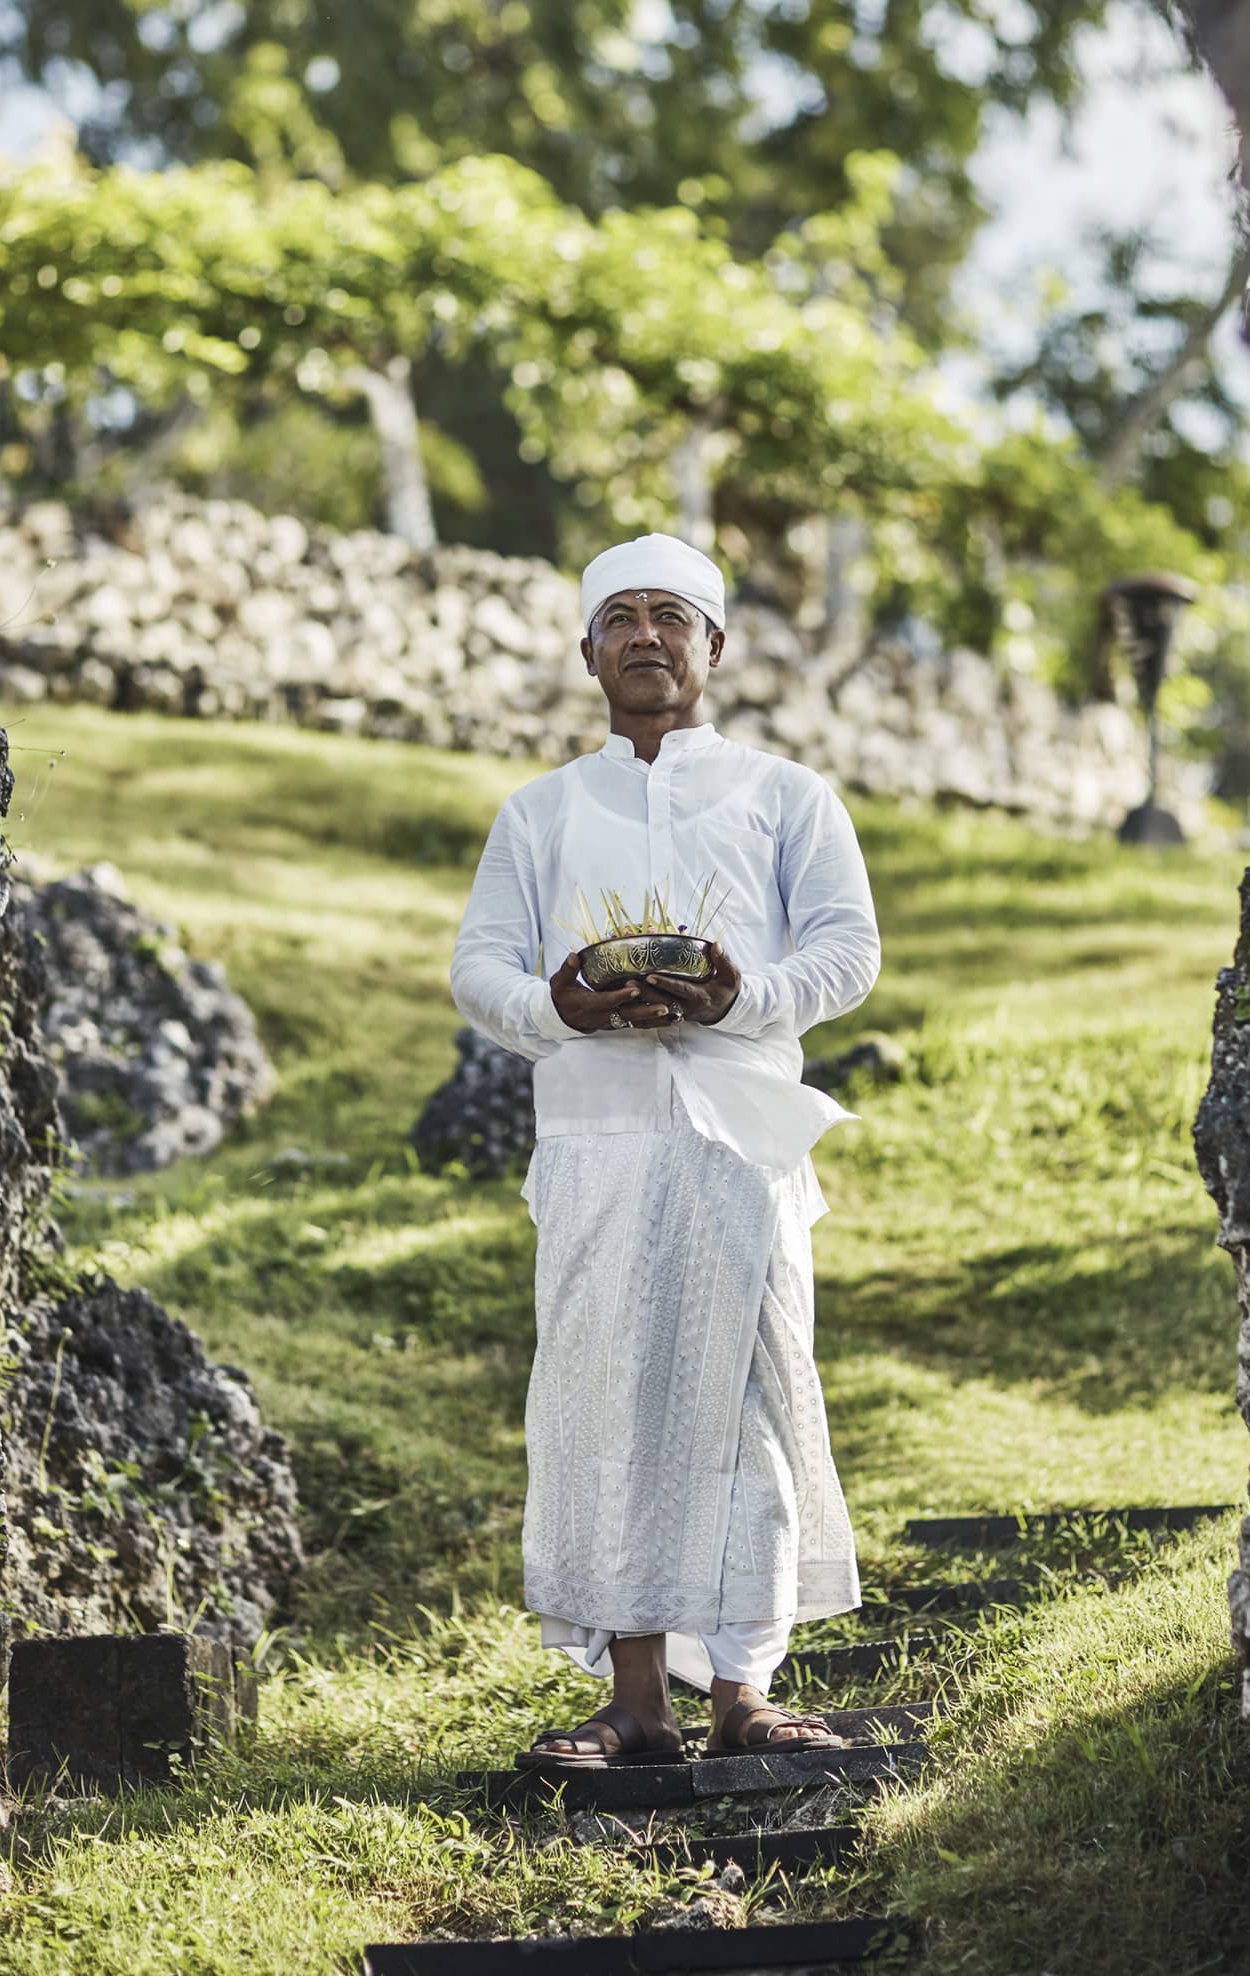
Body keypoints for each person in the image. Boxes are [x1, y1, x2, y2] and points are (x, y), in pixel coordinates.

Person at [449, 530, 882, 1764]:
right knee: (597, 1404)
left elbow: (849, 954)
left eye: (671, 616)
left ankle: (743, 1688)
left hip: (740, 1140)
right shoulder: (539, 812)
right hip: (593, 1138)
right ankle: (634, 1703)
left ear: (714, 646)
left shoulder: (786, 795)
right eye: (622, 617)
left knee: (752, 1399)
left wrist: (740, 997)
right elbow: (480, 966)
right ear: (587, 650)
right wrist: (560, 1008)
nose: (647, 635)